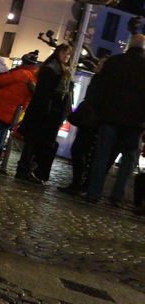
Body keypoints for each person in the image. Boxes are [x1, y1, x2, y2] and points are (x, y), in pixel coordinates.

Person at [82, 34, 145, 205]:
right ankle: (117, 196)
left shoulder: (114, 62)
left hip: (110, 118)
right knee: (128, 161)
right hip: (135, 123)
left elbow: (100, 90)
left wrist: (99, 112)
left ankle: (93, 192)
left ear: (129, 46)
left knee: (102, 156)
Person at [14, 44, 73, 183]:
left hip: (47, 111)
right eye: (64, 53)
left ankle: (26, 169)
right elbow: (44, 93)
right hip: (43, 112)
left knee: (35, 142)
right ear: (58, 53)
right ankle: (23, 169)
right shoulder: (52, 69)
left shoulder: (60, 69)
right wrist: (49, 110)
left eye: (68, 54)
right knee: (33, 141)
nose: (66, 56)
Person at [0, 51, 39, 162]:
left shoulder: (21, 73)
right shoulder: (35, 78)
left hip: (0, 107)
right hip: (14, 113)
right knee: (1, 135)